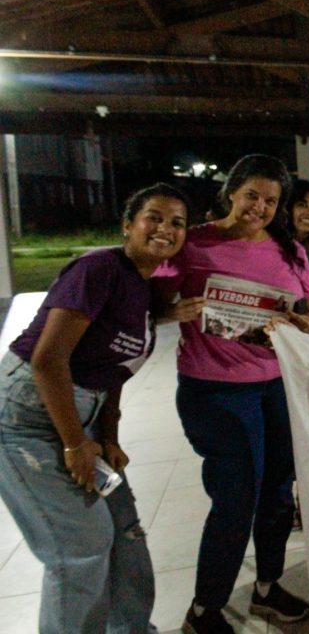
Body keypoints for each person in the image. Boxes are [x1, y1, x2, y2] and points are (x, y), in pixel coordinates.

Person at [0, 183, 190, 633]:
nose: (165, 228)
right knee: (80, 548)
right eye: (154, 217)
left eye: (177, 223)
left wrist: (108, 437)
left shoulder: (142, 288)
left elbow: (112, 370)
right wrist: (74, 445)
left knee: (124, 533)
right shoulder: (100, 269)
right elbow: (48, 360)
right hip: (29, 420)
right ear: (128, 226)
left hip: (82, 416)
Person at [152, 155, 309, 634]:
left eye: (270, 201)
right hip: (215, 391)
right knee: (235, 500)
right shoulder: (194, 243)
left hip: (276, 386)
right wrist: (173, 313)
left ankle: (268, 587)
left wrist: (299, 324)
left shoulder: (290, 251)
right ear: (231, 192)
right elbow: (153, 307)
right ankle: (205, 609)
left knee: (277, 497)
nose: (259, 208)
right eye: (252, 195)